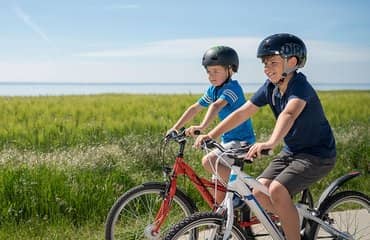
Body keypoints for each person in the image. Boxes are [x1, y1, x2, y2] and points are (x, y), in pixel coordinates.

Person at [195, 33, 336, 240]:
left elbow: (289, 113)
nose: (267, 67)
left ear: (292, 62)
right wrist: (211, 134)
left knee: (277, 190)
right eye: (265, 63)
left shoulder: (300, 87)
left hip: (317, 154)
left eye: (273, 62)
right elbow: (242, 112)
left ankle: (291, 231)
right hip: (292, 152)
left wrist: (270, 142)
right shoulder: (270, 87)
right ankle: (292, 218)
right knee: (259, 191)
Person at [167, 45, 255, 204]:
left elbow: (216, 106)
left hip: (242, 142)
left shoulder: (233, 88)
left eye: (216, 71)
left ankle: (242, 189)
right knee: (218, 193)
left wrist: (201, 127)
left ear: (230, 70)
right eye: (208, 71)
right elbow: (195, 108)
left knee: (208, 161)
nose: (211, 75)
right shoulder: (213, 90)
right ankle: (223, 224)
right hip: (226, 142)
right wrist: (175, 127)